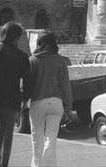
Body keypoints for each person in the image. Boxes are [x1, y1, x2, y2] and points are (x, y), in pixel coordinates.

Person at [28, 32, 73, 167]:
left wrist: (23, 101)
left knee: (37, 137)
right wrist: (68, 106)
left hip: (38, 101)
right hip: (56, 102)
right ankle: (49, 165)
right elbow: (65, 85)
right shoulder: (60, 60)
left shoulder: (33, 60)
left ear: (39, 44)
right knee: (51, 138)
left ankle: (37, 165)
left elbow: (27, 84)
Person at [0, 22, 33, 167]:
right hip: (11, 100)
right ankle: (3, 164)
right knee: (7, 133)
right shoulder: (21, 56)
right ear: (16, 38)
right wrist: (25, 99)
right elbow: (28, 80)